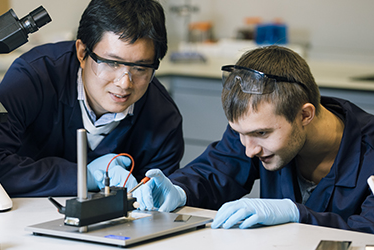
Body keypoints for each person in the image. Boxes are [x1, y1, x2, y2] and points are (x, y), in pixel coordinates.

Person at [134, 45, 374, 234]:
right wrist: (179, 189)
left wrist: (298, 215)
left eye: (262, 134)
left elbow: (368, 229)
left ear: (305, 115)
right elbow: (216, 170)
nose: (248, 150)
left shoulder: (369, 151)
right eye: (239, 132)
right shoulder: (254, 130)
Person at [0, 0, 183, 197]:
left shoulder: (163, 117)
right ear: (82, 53)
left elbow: (156, 204)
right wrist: (83, 177)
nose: (125, 82)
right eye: (112, 63)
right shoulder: (34, 78)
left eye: (141, 68)